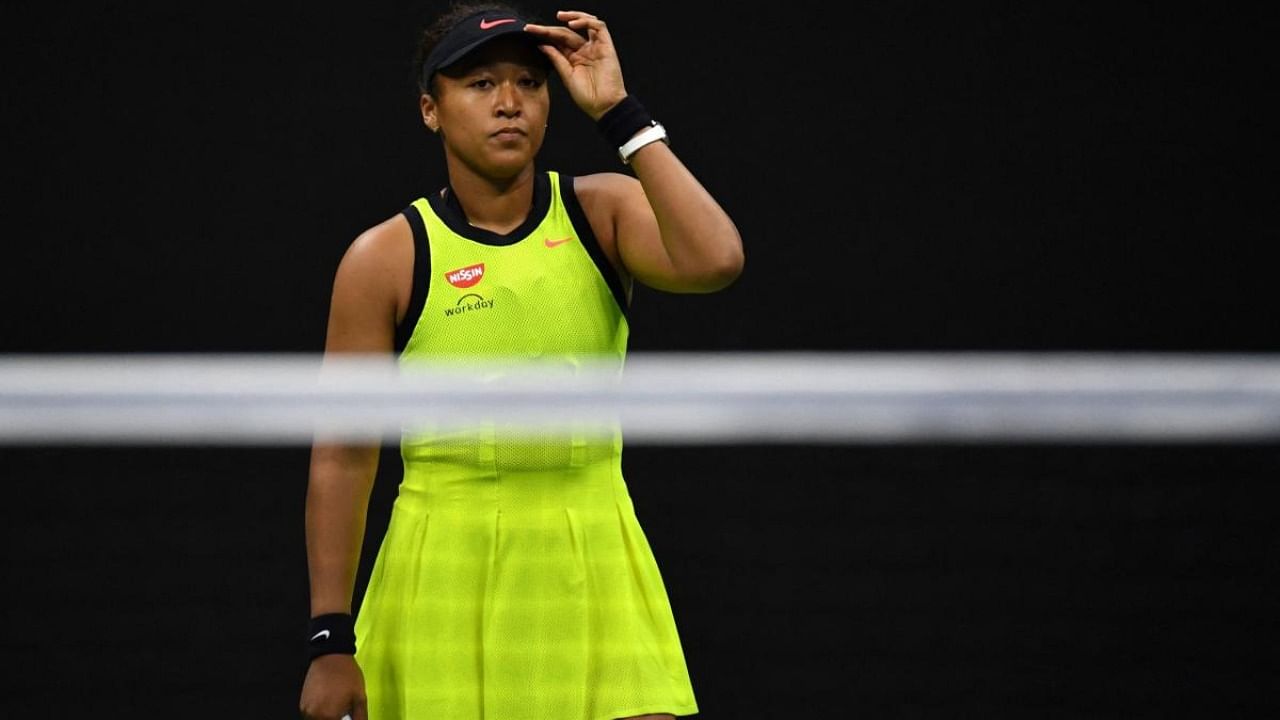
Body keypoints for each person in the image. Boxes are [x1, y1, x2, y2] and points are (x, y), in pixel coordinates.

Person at [298, 3, 743, 719]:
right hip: (439, 573)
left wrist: (619, 112)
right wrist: (329, 638)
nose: (509, 103)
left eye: (529, 84)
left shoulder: (602, 212)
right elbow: (343, 456)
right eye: (479, 84)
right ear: (430, 110)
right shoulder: (385, 258)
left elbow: (716, 258)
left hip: (594, 556)